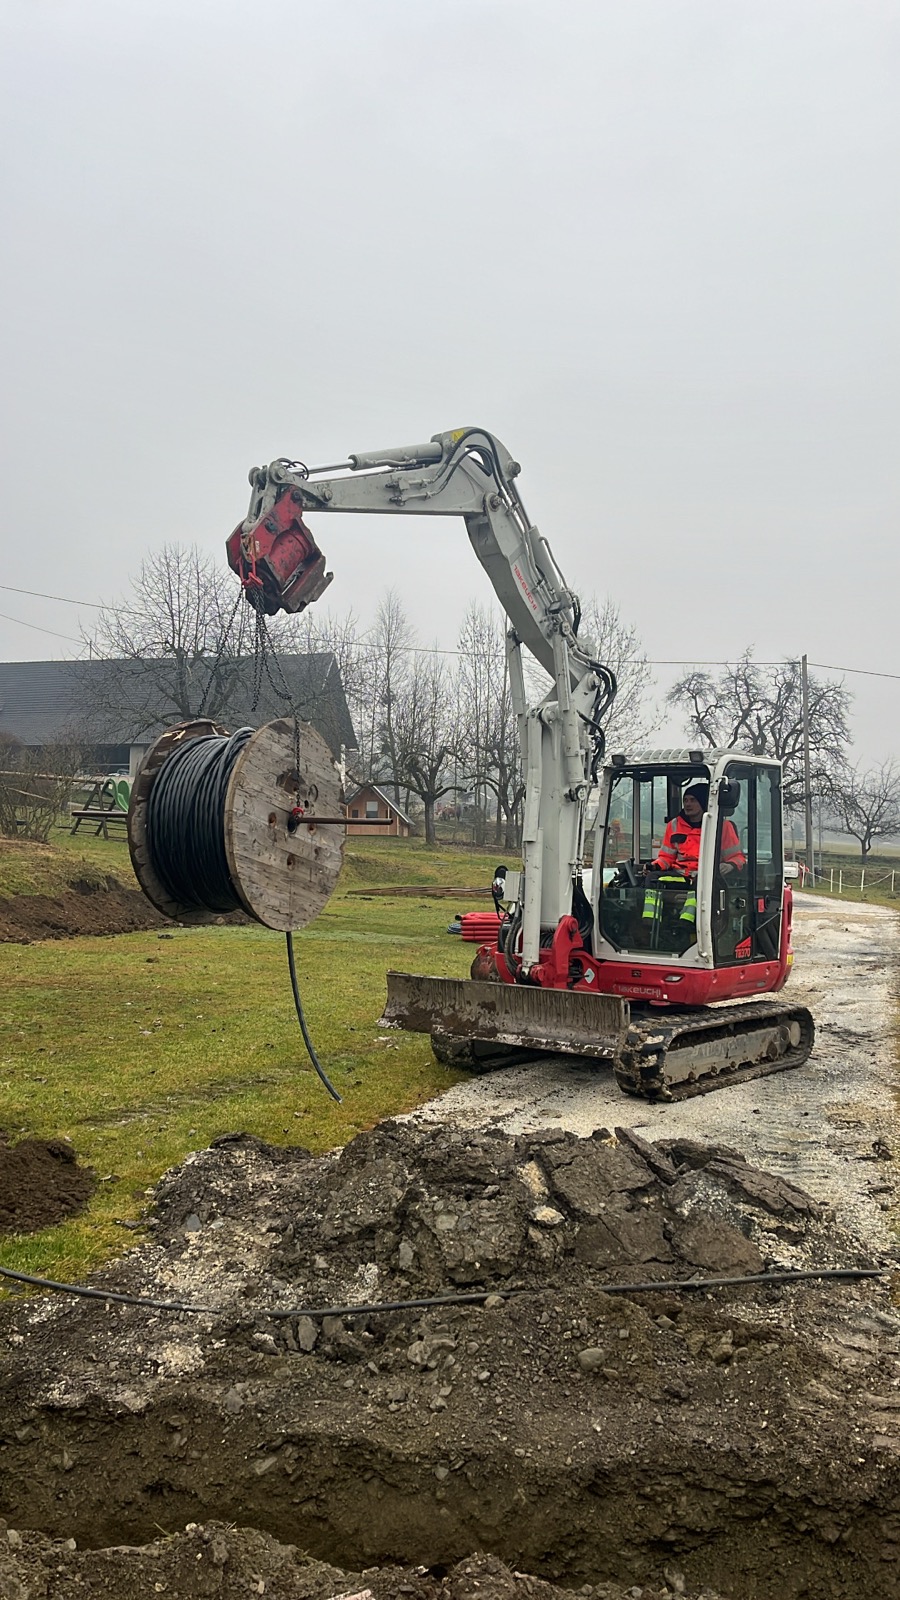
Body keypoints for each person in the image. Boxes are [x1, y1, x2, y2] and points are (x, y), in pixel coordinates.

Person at [649, 782, 745, 877]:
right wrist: (654, 866)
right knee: (651, 878)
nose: (688, 804)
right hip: (680, 875)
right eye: (685, 800)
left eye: (693, 800)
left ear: (703, 802)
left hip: (708, 878)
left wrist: (729, 865)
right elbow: (666, 857)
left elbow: (737, 857)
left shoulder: (723, 826)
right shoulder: (674, 825)